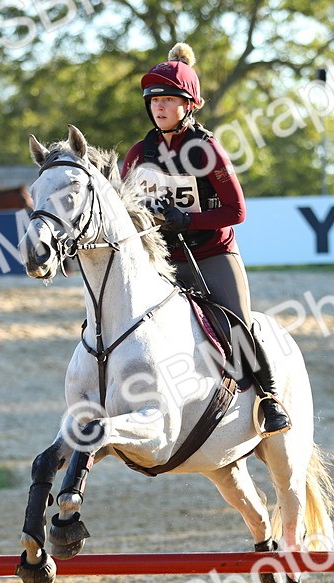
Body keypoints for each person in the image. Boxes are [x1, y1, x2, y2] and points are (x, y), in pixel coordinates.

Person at [120, 42, 290, 438]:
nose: (159, 107)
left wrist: (188, 219)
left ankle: (269, 399)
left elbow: (237, 211)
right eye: (154, 101)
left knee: (236, 323)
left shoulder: (206, 150)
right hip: (161, 258)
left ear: (188, 105)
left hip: (211, 252)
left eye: (168, 100)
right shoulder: (138, 154)